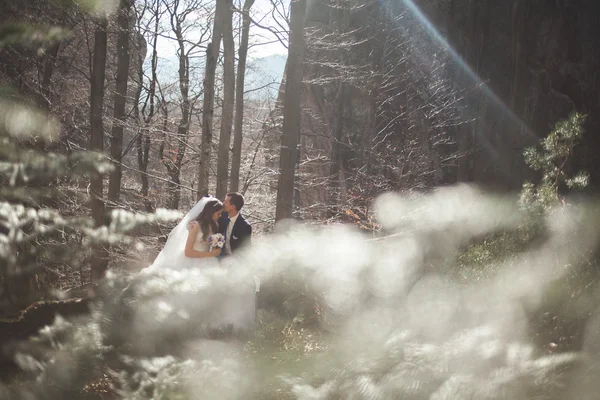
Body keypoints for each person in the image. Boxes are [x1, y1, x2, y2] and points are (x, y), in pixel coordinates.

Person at [218, 192, 252, 258]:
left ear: (233, 206)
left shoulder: (245, 226)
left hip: (233, 260)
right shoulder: (220, 216)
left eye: (226, 202)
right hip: (217, 257)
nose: (223, 204)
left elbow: (245, 250)